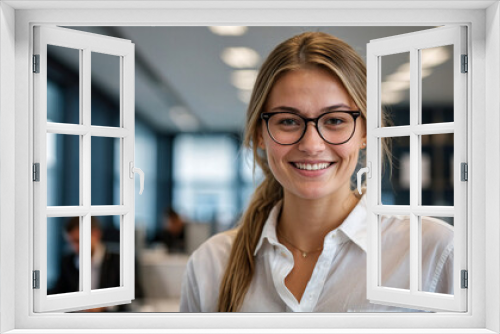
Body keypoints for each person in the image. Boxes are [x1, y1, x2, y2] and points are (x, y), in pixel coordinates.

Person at [180, 32, 453, 312]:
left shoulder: (432, 252)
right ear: (260, 134)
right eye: (288, 121)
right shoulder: (210, 265)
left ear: (365, 132)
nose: (311, 145)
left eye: (335, 120)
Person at [50, 216, 144, 312]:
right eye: (71, 242)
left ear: (96, 234)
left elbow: (136, 295)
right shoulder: (68, 261)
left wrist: (104, 305)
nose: (75, 247)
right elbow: (59, 291)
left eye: (78, 241)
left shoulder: (119, 261)